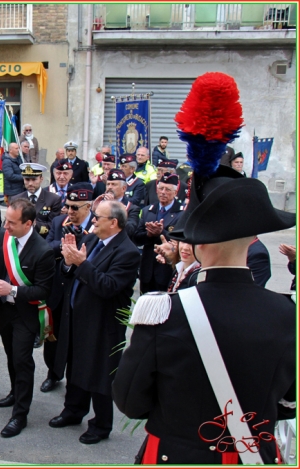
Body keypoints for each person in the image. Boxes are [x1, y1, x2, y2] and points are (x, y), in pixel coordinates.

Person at [114, 71, 296, 464]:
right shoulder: (287, 314)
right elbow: (289, 402)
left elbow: (129, 401)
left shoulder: (164, 312)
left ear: (198, 241)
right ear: (252, 237)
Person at [49, 200, 140, 445]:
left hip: (103, 325)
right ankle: (73, 410)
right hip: (78, 317)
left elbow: (107, 286)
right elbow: (71, 273)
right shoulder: (90, 240)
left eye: (98, 217)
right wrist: (68, 263)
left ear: (114, 222)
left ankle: (100, 425)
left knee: (99, 375)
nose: (93, 220)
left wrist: (80, 263)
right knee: (76, 366)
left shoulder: (128, 252)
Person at [0, 199, 54, 438]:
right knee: (11, 356)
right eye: (6, 220)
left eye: (12, 223)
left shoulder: (43, 251)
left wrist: (13, 291)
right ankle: (14, 393)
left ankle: (20, 415)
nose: (6, 226)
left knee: (22, 360)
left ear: (28, 224)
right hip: (6, 311)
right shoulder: (4, 235)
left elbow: (43, 290)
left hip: (26, 314)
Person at [41, 182, 94, 394]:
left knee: (78, 339)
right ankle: (53, 373)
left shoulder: (98, 226)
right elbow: (47, 246)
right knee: (52, 336)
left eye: (75, 207)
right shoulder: (57, 222)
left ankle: (76, 378)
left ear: (88, 206)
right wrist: (64, 247)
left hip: (82, 291)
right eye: (68, 206)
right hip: (58, 289)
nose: (69, 211)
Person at [133, 172, 184, 294]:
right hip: (147, 269)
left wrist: (162, 232)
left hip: (166, 269)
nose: (163, 192)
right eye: (161, 188)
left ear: (175, 193)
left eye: (167, 189)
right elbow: (136, 238)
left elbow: (180, 240)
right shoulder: (147, 211)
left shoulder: (182, 213)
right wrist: (149, 234)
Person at [15, 163, 61, 238]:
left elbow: (53, 226)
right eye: (27, 179)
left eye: (34, 179)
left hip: (43, 241)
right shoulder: (16, 200)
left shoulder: (53, 199)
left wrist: (34, 225)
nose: (30, 183)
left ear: (41, 179)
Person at [92, 169, 140, 238]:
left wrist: (115, 207)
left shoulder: (131, 208)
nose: (110, 187)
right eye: (108, 184)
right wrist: (94, 211)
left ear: (123, 188)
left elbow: (129, 231)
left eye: (114, 184)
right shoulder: (100, 204)